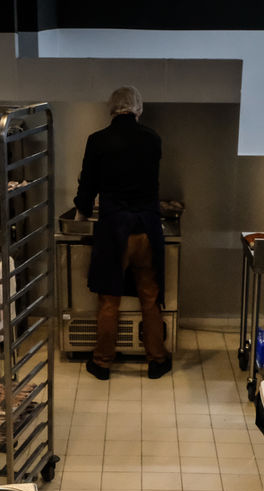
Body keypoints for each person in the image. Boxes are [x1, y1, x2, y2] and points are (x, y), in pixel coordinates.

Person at [73, 86, 171, 380]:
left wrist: (82, 211)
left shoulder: (97, 140)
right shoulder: (153, 139)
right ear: (138, 109)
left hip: (114, 230)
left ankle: (102, 362)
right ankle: (157, 360)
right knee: (150, 297)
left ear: (111, 108)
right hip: (147, 229)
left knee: (109, 300)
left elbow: (87, 185)